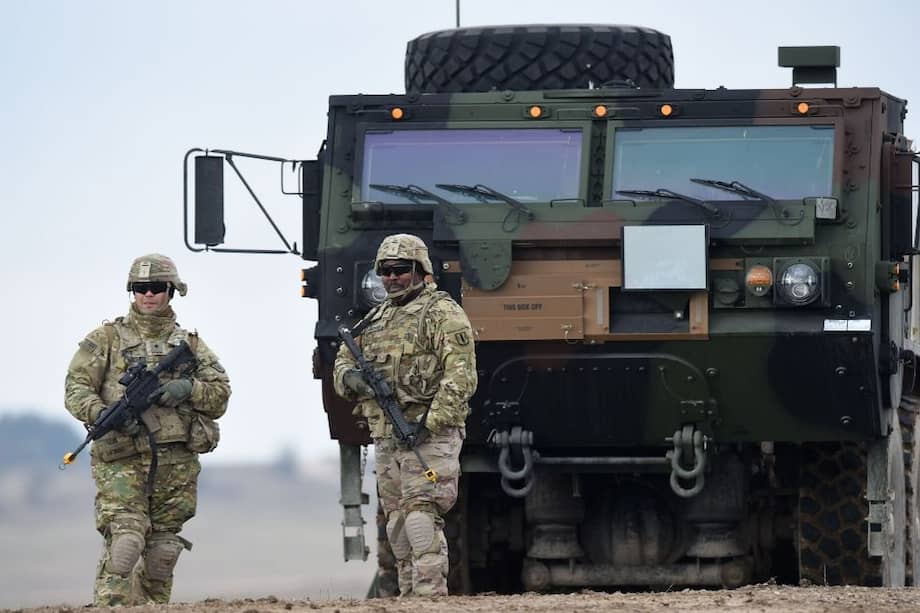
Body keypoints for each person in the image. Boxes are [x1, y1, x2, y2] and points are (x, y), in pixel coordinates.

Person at [64, 254, 231, 606]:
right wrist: (101, 411)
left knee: (162, 553)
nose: (148, 295)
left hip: (176, 462)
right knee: (126, 541)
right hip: (120, 457)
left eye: (156, 288)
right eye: (141, 289)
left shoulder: (190, 345)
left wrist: (188, 390)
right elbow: (75, 387)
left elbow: (220, 395)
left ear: (172, 291)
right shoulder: (106, 338)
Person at [334, 233, 477, 597]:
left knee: (420, 518)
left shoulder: (441, 312)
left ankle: (430, 596)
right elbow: (343, 362)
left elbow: (461, 377)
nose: (392, 277)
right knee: (397, 524)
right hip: (387, 436)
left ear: (420, 270)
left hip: (429, 436)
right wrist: (354, 380)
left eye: (400, 269)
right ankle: (408, 597)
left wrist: (427, 425)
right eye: (385, 270)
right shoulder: (377, 318)